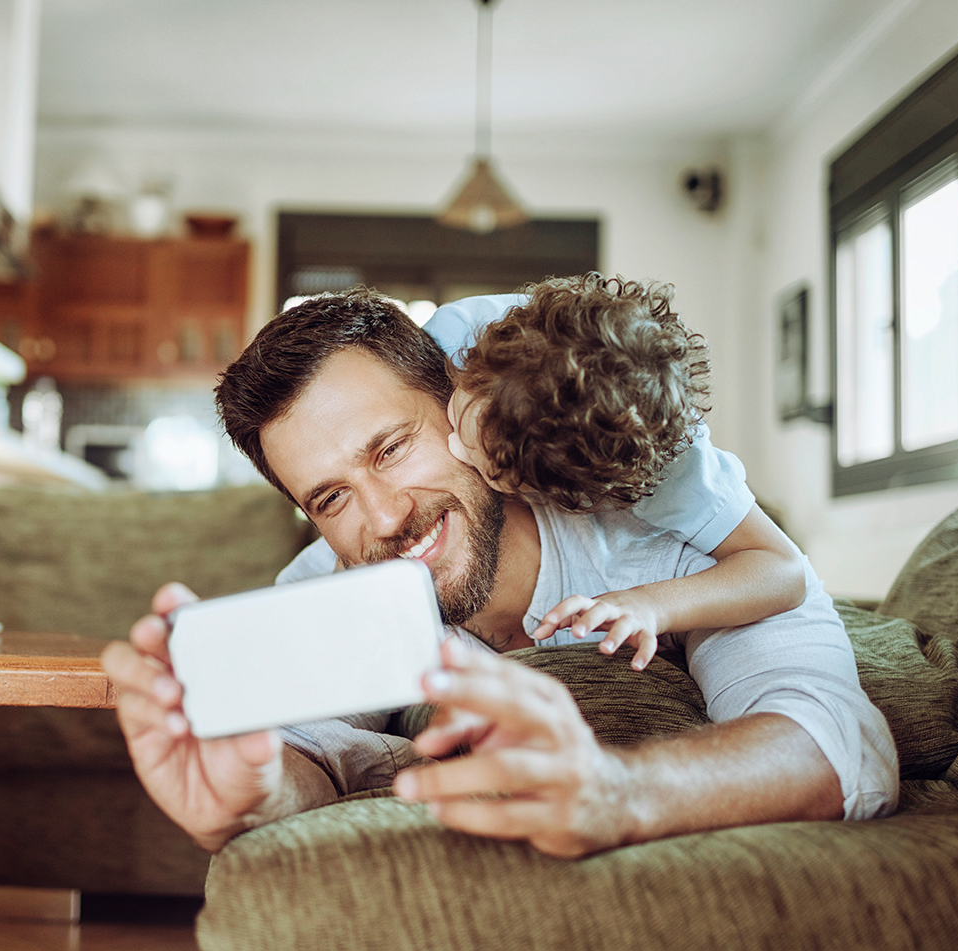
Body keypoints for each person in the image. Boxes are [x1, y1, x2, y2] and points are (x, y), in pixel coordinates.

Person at [100, 287, 897, 859]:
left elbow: (828, 741)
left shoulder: (656, 527)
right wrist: (252, 797)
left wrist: (617, 793)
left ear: (461, 404)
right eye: (332, 496)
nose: (382, 518)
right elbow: (293, 751)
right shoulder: (331, 585)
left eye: (390, 448)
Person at [294, 274, 808, 670]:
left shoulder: (673, 481)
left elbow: (783, 572)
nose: (453, 445)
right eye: (459, 414)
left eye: (483, 463)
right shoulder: (450, 340)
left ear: (554, 499)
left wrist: (651, 606)